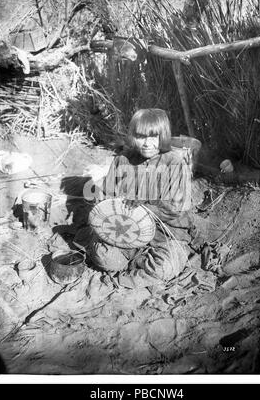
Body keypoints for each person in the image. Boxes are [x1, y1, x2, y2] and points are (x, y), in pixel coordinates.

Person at [80, 108, 203, 289]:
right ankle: (136, 262)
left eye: (154, 137)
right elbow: (107, 196)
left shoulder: (174, 163)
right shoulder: (122, 160)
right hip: (124, 232)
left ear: (164, 136)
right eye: (140, 136)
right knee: (103, 256)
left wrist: (146, 202)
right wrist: (101, 203)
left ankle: (128, 275)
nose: (147, 143)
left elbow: (176, 209)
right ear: (132, 136)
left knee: (164, 268)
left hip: (164, 235)